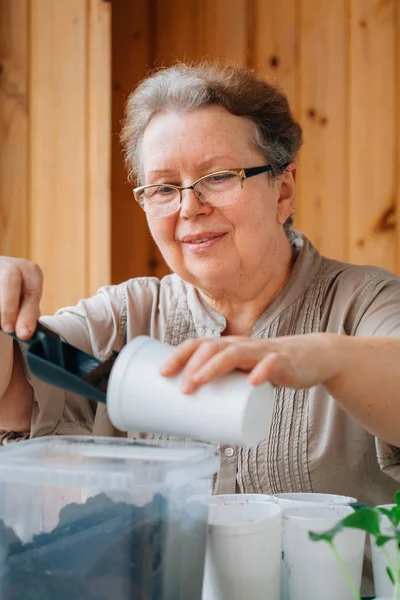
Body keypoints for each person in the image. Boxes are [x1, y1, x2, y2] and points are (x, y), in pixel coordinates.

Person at [1, 62, 400, 507]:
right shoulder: (124, 317)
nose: (189, 207)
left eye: (219, 177)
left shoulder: (364, 303)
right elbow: (12, 391)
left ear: (283, 191)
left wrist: (321, 357)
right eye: (164, 188)